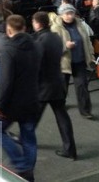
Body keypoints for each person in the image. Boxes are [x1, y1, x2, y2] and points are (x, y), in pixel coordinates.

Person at [0, 14, 40, 182]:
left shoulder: (9, 50)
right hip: (33, 99)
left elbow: (5, 82)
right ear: (24, 28)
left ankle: (22, 165)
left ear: (8, 30)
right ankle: (28, 173)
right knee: (29, 136)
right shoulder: (36, 46)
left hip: (12, 104)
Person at [32, 11, 77, 160]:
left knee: (33, 116)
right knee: (62, 116)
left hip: (44, 86)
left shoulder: (39, 41)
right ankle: (70, 149)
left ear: (37, 23)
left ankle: (24, 141)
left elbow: (37, 65)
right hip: (58, 81)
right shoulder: (56, 37)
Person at [50, 4, 96, 119]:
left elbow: (87, 41)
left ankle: (86, 111)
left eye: (71, 13)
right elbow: (52, 48)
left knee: (82, 86)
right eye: (66, 14)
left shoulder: (80, 25)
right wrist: (65, 46)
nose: (69, 16)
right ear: (61, 15)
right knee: (63, 87)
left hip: (79, 60)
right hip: (64, 62)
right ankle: (61, 106)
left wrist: (91, 56)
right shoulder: (55, 28)